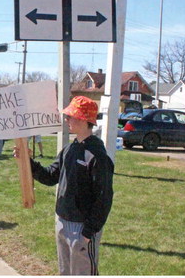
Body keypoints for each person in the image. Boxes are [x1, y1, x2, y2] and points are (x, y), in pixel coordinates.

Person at [13, 96, 114, 275]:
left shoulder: (97, 155)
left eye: (71, 116)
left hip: (82, 227)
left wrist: (88, 232)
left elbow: (104, 198)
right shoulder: (69, 149)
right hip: (62, 220)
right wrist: (27, 162)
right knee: (65, 272)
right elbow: (50, 176)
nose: (66, 119)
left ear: (84, 120)